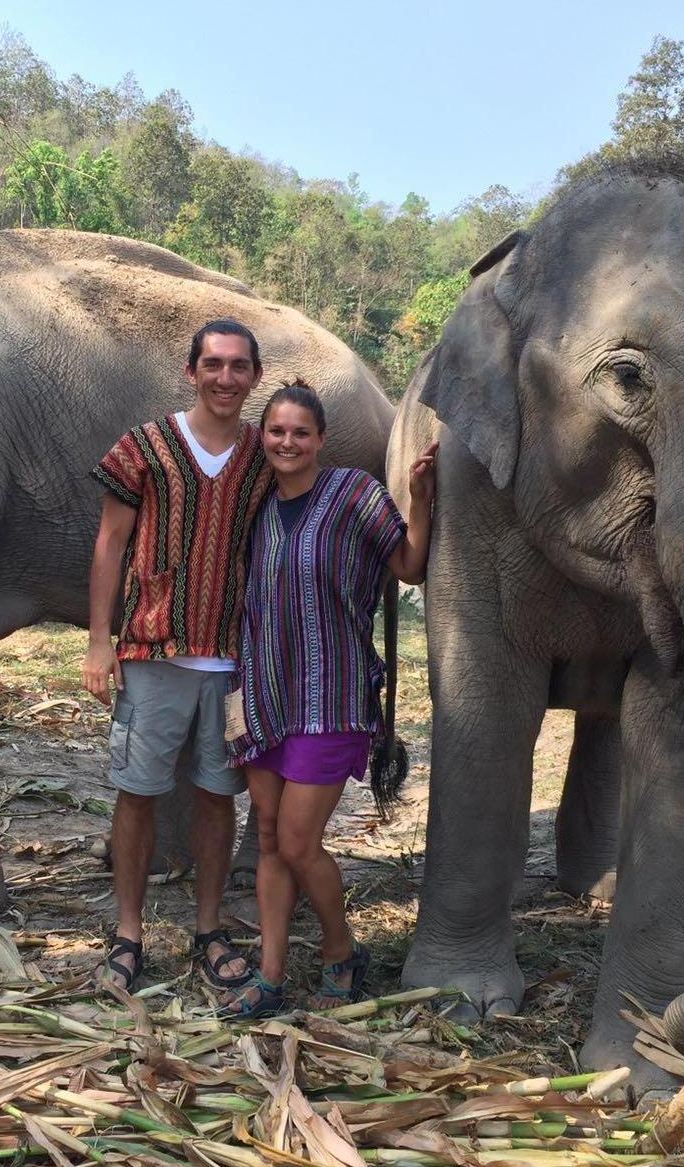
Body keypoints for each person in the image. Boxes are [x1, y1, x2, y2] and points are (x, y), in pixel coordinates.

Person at [218, 380, 437, 1018]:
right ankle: (271, 972)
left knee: (296, 842)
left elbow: (408, 565)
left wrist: (420, 503)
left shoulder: (351, 494)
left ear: (320, 440)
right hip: (262, 694)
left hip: (331, 694)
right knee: (265, 837)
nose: (287, 443)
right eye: (277, 431)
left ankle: (341, 952)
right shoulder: (254, 508)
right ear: (263, 438)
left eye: (300, 433)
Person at [82, 318, 274, 992]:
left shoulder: (262, 456)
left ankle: (208, 927)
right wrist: (98, 640)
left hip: (232, 664)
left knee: (218, 797)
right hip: (150, 649)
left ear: (254, 376)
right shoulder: (145, 447)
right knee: (136, 793)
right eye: (213, 364)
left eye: (239, 366)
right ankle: (127, 930)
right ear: (191, 371)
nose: (225, 377)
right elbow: (109, 541)